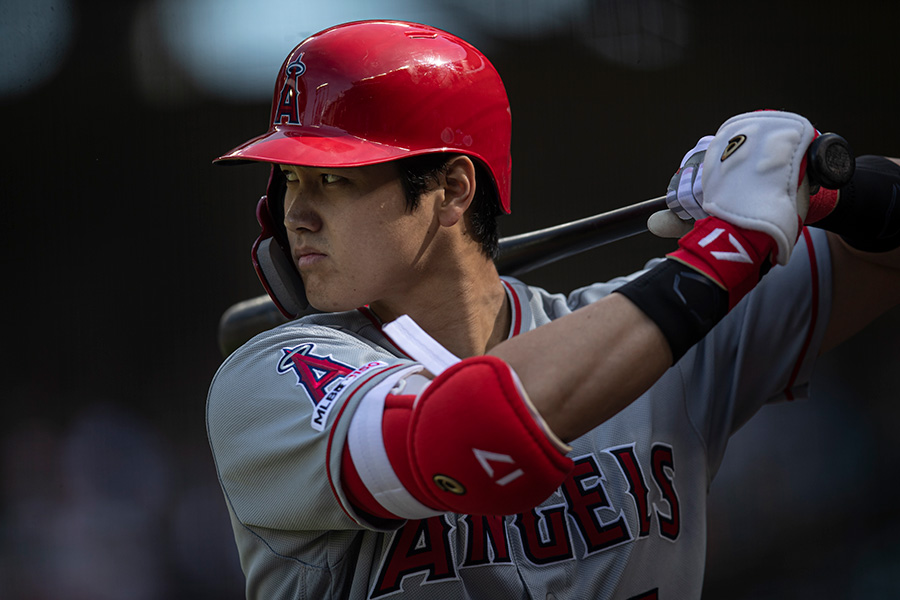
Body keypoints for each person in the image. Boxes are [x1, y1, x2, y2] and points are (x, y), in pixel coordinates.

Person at [206, 20, 900, 600]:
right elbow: (470, 437)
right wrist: (727, 249)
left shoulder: (652, 337)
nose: (295, 214)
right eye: (292, 179)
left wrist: (820, 189)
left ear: (451, 190)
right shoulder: (272, 383)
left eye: (331, 179)